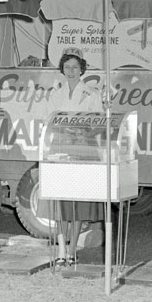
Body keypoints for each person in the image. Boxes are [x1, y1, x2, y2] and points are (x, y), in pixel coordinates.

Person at [46, 46, 102, 267]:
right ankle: (60, 249)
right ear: (62, 69)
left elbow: (97, 124)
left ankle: (71, 250)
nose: (71, 71)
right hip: (60, 151)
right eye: (67, 67)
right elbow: (49, 121)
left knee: (77, 204)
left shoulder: (92, 94)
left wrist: (81, 130)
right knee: (60, 203)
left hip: (82, 152)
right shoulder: (55, 94)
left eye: (75, 67)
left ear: (82, 69)